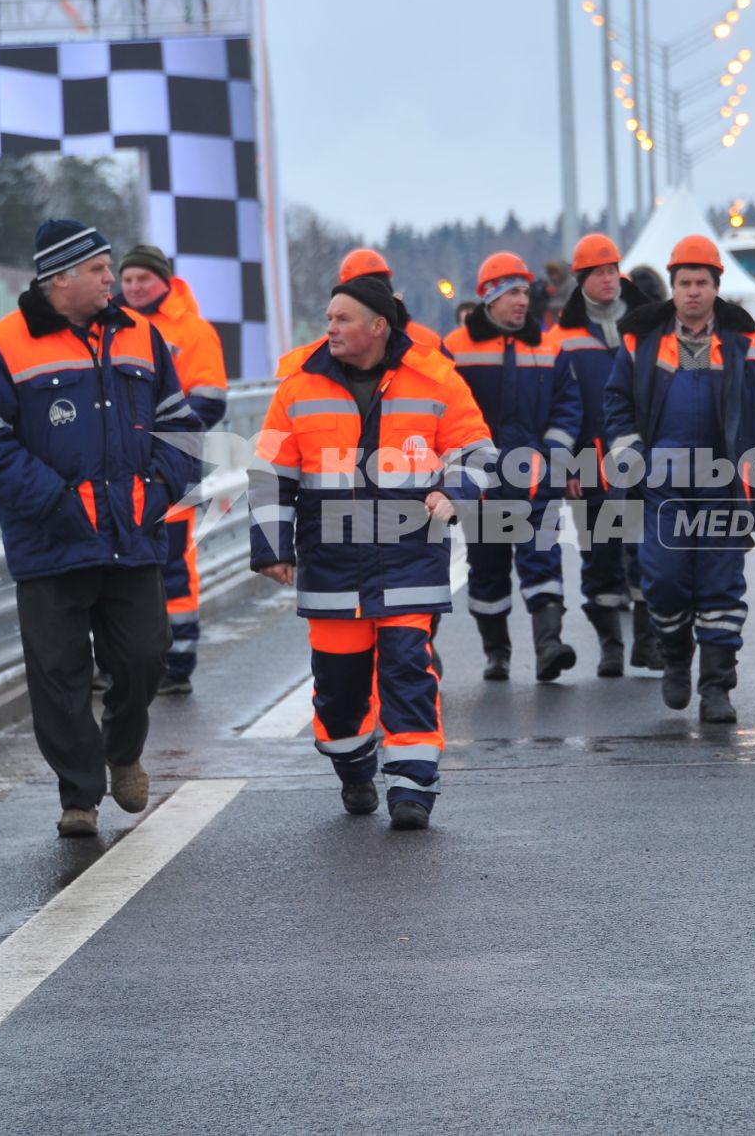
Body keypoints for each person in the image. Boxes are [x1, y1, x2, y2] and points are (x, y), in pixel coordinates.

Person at [0, 220, 200, 837]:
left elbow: (182, 426)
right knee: (59, 676)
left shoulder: (142, 336)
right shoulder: (2, 346)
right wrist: (57, 503)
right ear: (59, 278)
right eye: (98, 270)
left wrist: (162, 489)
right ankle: (80, 794)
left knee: (146, 656)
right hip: (50, 541)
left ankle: (123, 751)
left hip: (133, 534)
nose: (110, 280)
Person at [247, 264, 495, 831]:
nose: (329, 327)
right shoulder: (298, 386)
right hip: (331, 565)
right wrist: (271, 546)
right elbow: (271, 474)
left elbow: (477, 451)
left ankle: (412, 787)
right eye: (328, 317)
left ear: (379, 326)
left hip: (411, 555)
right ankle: (354, 764)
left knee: (409, 671)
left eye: (342, 318)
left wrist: (454, 492)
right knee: (339, 692)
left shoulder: (434, 378)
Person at [603, 234, 755, 723]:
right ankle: (675, 658)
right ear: (672, 287)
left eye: (702, 283)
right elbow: (617, 404)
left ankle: (716, 687)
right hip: (663, 483)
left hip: (726, 482)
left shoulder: (746, 344)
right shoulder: (642, 341)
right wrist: (634, 459)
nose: (693, 291)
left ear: (717, 286)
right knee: (665, 581)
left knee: (720, 585)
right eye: (684, 283)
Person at [445, 251, 585, 682]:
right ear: (489, 298)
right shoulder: (454, 349)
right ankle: (497, 653)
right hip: (481, 482)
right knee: (487, 570)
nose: (522, 300)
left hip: (533, 480)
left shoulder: (550, 348)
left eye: (525, 291)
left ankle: (549, 648)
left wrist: (552, 457)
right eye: (512, 293)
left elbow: (568, 408)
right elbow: (443, 412)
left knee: (542, 560)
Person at [117, 244, 229, 695]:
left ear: (164, 280)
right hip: (118, 472)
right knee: (119, 567)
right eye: (126, 280)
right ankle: (123, 662)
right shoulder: (109, 326)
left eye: (143, 279)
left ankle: (177, 663)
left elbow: (210, 401)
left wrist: (152, 435)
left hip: (170, 469)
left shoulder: (194, 331)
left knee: (173, 567)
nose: (134, 287)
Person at [547, 233, 655, 676]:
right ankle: (611, 645)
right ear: (582, 280)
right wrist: (570, 460)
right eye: (599, 273)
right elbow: (561, 401)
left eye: (613, 270)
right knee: (599, 554)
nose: (609, 279)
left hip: (643, 456)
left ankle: (648, 644)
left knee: (647, 550)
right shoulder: (562, 336)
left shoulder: (647, 324)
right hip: (590, 461)